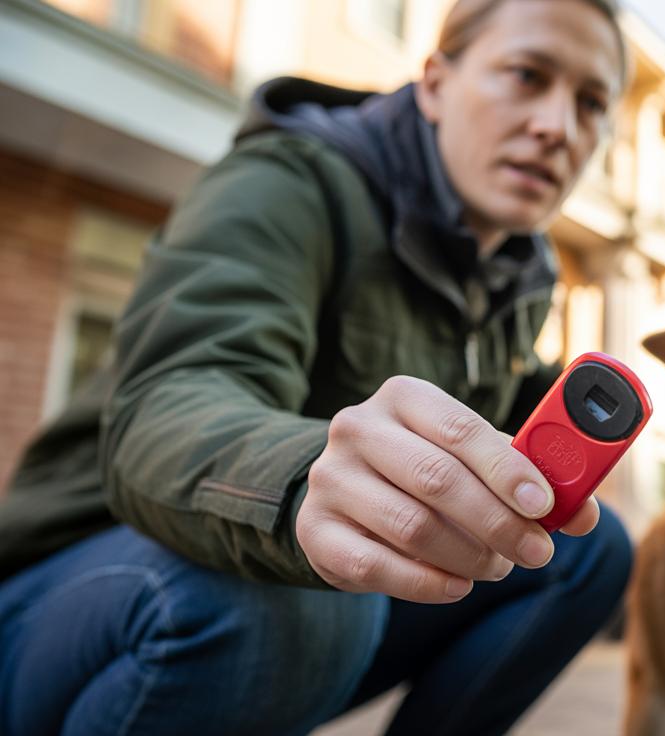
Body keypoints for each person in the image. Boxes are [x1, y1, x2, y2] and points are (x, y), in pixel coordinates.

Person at [0, 0, 632, 733]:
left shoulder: (519, 278)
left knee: (591, 550)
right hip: (73, 596)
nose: (558, 126)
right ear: (434, 83)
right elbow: (168, 404)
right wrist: (303, 483)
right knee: (306, 598)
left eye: (592, 104)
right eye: (527, 75)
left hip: (296, 611)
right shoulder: (286, 180)